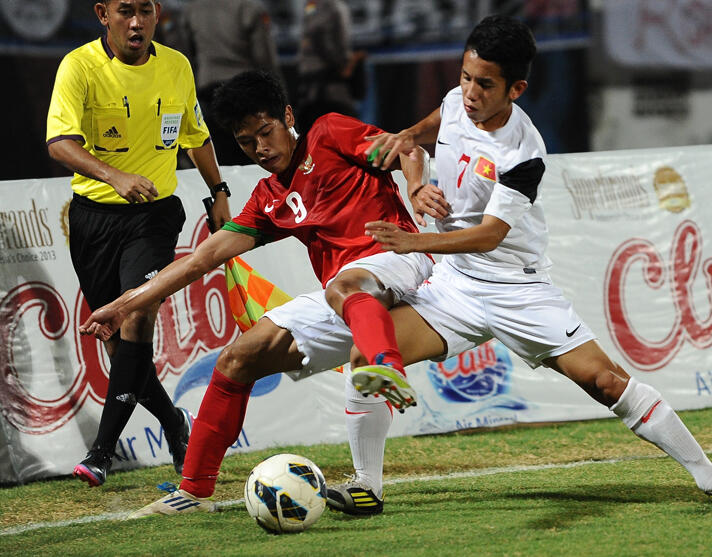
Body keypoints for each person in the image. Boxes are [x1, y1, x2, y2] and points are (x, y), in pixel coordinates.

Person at [337, 14, 712, 514]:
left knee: (606, 383)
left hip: (516, 289)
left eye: (485, 84)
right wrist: (413, 173)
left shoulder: (524, 151)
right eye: (465, 76)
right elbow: (419, 134)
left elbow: (491, 236)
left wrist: (415, 244)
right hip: (455, 286)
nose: (470, 92)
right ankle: (367, 486)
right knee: (365, 357)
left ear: (516, 88)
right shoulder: (455, 103)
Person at [79, 69, 431, 518]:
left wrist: (416, 188)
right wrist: (121, 305)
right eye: (247, 143)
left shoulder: (329, 132)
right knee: (238, 357)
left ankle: (387, 366)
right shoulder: (268, 198)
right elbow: (198, 261)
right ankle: (194, 490)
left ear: (287, 116)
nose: (261, 149)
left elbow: (407, 148)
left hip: (399, 257)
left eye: (266, 133)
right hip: (344, 295)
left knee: (347, 285)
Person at [45, 0, 231, 488]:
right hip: (93, 221)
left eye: (145, 10)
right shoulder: (79, 66)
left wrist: (218, 193)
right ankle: (175, 424)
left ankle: (102, 452)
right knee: (120, 338)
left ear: (157, 13)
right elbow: (59, 142)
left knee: (136, 313)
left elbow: (196, 135)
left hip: (154, 217)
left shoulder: (176, 65)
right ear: (103, 13)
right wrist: (113, 175)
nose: (137, 22)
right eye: (126, 10)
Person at [177, 0, 282, 165]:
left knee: (219, 161)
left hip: (207, 91)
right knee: (252, 162)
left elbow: (185, 54)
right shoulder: (249, 6)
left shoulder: (192, 9)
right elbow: (264, 57)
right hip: (246, 93)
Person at [296, 0, 366, 135]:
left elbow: (312, 33)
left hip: (309, 94)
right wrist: (345, 65)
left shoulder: (311, 5)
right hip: (331, 93)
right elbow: (319, 37)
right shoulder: (334, 6)